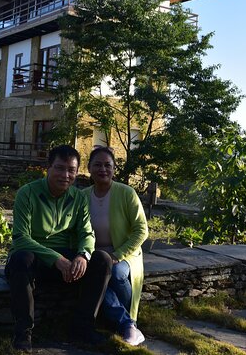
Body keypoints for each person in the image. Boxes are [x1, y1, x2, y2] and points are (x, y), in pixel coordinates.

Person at [5, 145, 113, 352]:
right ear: (48, 168)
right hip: (34, 260)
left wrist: (83, 256)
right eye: (60, 168)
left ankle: (82, 328)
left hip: (65, 263)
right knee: (21, 258)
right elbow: (20, 238)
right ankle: (23, 332)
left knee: (102, 260)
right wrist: (56, 258)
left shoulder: (78, 197)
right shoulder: (27, 194)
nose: (66, 175)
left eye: (71, 170)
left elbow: (87, 233)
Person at [83, 146, 149, 346]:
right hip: (94, 254)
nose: (103, 169)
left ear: (114, 168)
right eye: (97, 165)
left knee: (117, 273)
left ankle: (126, 321)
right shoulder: (82, 195)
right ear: (89, 168)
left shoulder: (126, 193)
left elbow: (142, 230)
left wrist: (118, 255)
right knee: (97, 277)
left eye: (107, 165)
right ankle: (128, 325)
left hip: (125, 253)